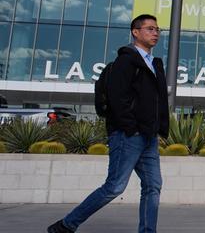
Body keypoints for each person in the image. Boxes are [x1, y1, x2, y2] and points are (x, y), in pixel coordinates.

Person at [48, 14, 169, 233]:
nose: (155, 33)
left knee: (153, 186)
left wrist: (159, 129)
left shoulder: (154, 64)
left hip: (148, 137)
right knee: (114, 186)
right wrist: (130, 128)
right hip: (128, 135)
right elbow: (117, 98)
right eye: (150, 29)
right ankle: (66, 225)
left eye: (157, 29)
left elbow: (157, 102)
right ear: (136, 32)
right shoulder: (126, 61)